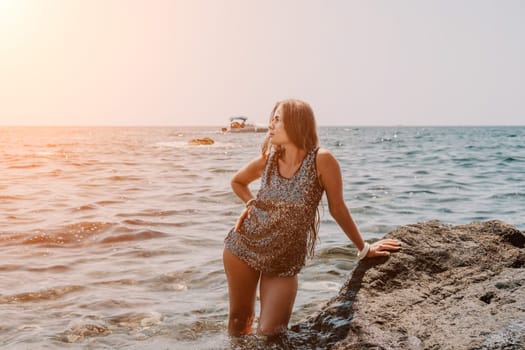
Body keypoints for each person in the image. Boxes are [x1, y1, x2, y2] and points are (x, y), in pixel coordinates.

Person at [223, 98, 400, 337]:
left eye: (277, 120)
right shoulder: (269, 159)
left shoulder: (322, 160)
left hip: (284, 261)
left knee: (270, 333)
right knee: (238, 322)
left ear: (296, 123)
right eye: (271, 119)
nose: (270, 126)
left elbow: (338, 208)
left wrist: (364, 248)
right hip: (243, 247)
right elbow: (237, 181)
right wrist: (251, 203)